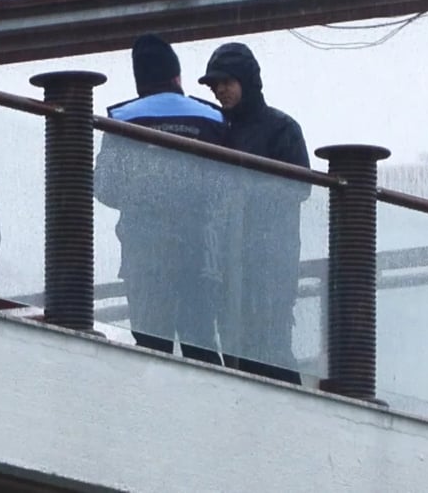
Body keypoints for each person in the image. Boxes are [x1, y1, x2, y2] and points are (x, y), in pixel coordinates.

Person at [95, 34, 226, 365]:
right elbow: (226, 185)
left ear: (140, 79)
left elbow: (104, 186)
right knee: (201, 345)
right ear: (176, 77)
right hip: (200, 251)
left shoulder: (121, 119)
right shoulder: (211, 117)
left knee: (152, 349)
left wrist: (143, 199)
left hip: (144, 253)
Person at [198, 42, 310, 383]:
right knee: (235, 344)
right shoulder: (218, 130)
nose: (219, 91)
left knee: (270, 345)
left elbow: (299, 188)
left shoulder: (282, 129)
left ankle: (285, 407)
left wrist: (243, 190)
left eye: (226, 82)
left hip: (269, 263)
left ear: (247, 81)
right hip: (226, 262)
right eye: (214, 85)